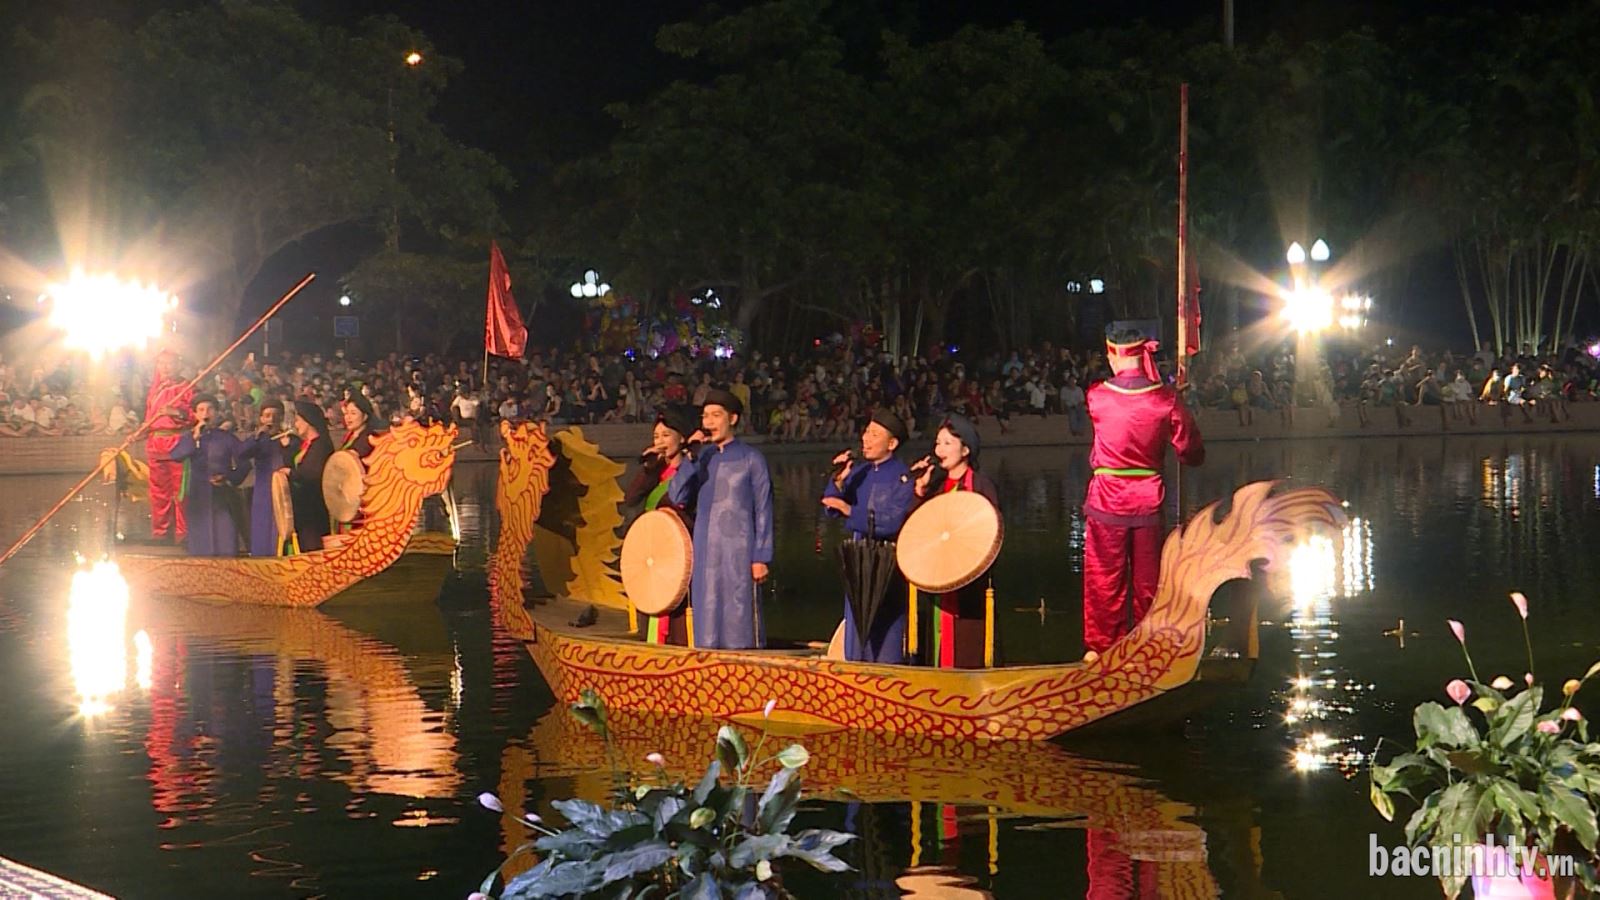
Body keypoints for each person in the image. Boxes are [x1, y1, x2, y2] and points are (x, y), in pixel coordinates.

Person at [1081, 326, 1204, 660]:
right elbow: (1190, 450)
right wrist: (1178, 402)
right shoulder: (1165, 399)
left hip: (1107, 497)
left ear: (1111, 354)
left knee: (1104, 578)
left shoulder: (1096, 396)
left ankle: (1102, 649)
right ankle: (1149, 647)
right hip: (1147, 499)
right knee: (1149, 581)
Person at [667, 388, 774, 650]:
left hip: (739, 551)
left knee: (740, 612)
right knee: (708, 609)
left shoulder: (752, 459)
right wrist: (690, 457)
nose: (709, 423)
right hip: (706, 551)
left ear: (733, 419)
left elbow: (764, 509)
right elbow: (677, 495)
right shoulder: (702, 458)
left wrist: (761, 557)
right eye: (706, 417)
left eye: (716, 415)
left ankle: (746, 667)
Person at [823, 409, 915, 664]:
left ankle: (886, 670)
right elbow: (831, 507)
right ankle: (855, 666)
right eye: (866, 432)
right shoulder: (859, 472)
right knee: (856, 616)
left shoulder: (902, 477)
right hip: (858, 555)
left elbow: (891, 521)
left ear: (892, 443)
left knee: (885, 621)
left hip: (887, 557)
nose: (866, 438)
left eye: (875, 434)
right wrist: (838, 480)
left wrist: (850, 510)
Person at [910, 414, 1000, 669]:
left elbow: (990, 532)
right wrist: (919, 492)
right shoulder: (936, 486)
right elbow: (916, 530)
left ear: (966, 449)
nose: (940, 449)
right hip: (936, 581)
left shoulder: (981, 487)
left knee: (967, 643)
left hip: (969, 582)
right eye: (938, 443)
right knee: (936, 637)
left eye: (948, 443)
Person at [623, 405, 700, 645]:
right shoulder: (655, 471)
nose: (660, 441)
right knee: (653, 605)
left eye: (666, 435)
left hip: (681, 552)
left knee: (678, 612)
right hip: (655, 553)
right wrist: (649, 468)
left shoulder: (692, 470)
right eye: (656, 436)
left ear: (682, 438)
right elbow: (631, 499)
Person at [168, 395, 247, 556]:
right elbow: (175, 456)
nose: (206, 413)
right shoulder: (189, 437)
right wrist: (194, 437)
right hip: (198, 496)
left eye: (210, 409)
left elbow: (245, 464)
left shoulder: (226, 438)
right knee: (200, 542)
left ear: (217, 413)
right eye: (201, 410)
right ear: (196, 414)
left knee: (225, 538)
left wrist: (229, 478)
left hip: (223, 496)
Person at [144, 349, 194, 543]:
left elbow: (196, 416)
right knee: (158, 494)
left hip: (177, 444)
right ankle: (160, 533)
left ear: (178, 365)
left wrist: (177, 412)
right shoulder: (154, 389)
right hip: (156, 445)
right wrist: (140, 432)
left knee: (181, 493)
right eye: (161, 363)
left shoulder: (186, 387)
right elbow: (149, 419)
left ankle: (184, 533)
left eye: (169, 363)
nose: (165, 367)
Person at [236, 404, 294, 556]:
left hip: (285, 488)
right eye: (267, 415)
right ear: (261, 418)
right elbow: (241, 453)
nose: (271, 419)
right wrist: (256, 436)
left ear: (281, 418)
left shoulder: (288, 437)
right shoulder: (259, 439)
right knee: (262, 526)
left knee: (282, 526)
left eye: (276, 415)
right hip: (263, 489)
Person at [278, 400, 334, 552]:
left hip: (314, 505)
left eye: (297, 420)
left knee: (312, 543)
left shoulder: (320, 445)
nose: (295, 424)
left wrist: (292, 473)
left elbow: (312, 473)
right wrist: (287, 448)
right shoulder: (305, 445)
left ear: (308, 421)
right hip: (303, 504)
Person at [338, 388, 382, 458]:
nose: (348, 417)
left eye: (353, 413)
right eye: (346, 413)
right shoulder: (350, 435)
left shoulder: (369, 438)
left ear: (365, 416)